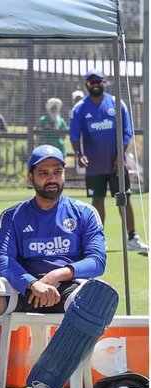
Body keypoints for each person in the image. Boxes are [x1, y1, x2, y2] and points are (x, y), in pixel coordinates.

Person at [0, 145, 116, 388]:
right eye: (43, 172)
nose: (51, 178)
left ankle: (45, 382)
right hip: (21, 285)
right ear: (30, 177)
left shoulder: (85, 212)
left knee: (99, 300)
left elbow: (97, 261)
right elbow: (5, 262)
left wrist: (55, 277)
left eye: (57, 171)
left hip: (68, 286)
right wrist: (32, 284)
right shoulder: (12, 215)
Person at [69, 69, 148, 252]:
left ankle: (132, 237)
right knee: (97, 200)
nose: (95, 84)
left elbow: (127, 132)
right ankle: (99, 240)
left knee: (124, 198)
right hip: (95, 165)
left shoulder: (116, 103)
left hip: (117, 165)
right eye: (91, 82)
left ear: (105, 82)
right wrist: (80, 154)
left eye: (98, 81)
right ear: (86, 85)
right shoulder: (80, 108)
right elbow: (74, 135)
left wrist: (120, 158)